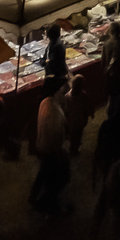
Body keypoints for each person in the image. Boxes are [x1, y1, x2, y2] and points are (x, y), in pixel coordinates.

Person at [30, 79, 70, 215]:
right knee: (60, 178)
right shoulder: (53, 110)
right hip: (51, 150)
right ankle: (47, 205)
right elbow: (54, 135)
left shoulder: (45, 102)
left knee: (43, 172)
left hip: (43, 145)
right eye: (61, 90)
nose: (63, 92)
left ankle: (33, 197)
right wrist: (59, 152)